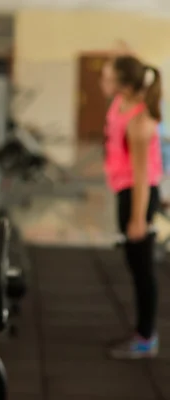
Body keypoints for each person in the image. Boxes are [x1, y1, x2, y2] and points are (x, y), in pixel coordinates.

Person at [104, 55, 163, 359]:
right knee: (133, 264)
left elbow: (142, 174)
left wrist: (138, 218)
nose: (103, 81)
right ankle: (143, 331)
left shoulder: (139, 121)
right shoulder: (120, 103)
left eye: (108, 76)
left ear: (124, 85)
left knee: (142, 269)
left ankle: (146, 337)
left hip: (138, 194)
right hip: (125, 191)